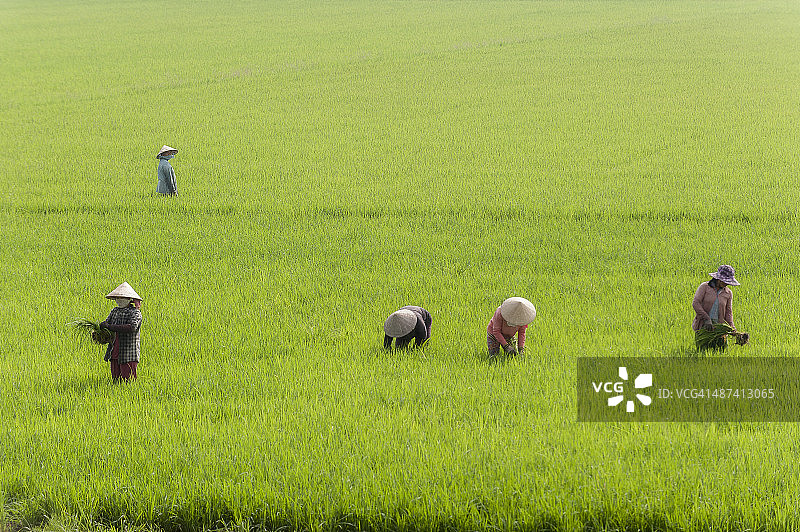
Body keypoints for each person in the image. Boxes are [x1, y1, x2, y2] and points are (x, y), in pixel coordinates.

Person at [100, 282, 143, 381]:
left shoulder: (135, 313)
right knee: (115, 380)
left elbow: (131, 327)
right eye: (117, 298)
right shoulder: (114, 311)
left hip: (128, 353)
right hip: (114, 351)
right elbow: (107, 327)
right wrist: (100, 331)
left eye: (122, 298)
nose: (119, 300)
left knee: (128, 381)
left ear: (129, 299)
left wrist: (110, 326)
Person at [692, 265, 739, 350]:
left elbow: (728, 313)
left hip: (719, 328)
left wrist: (732, 329)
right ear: (718, 279)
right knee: (703, 353)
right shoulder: (704, 287)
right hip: (704, 326)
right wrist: (706, 319)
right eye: (725, 281)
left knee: (721, 353)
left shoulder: (728, 293)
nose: (727, 283)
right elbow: (696, 303)